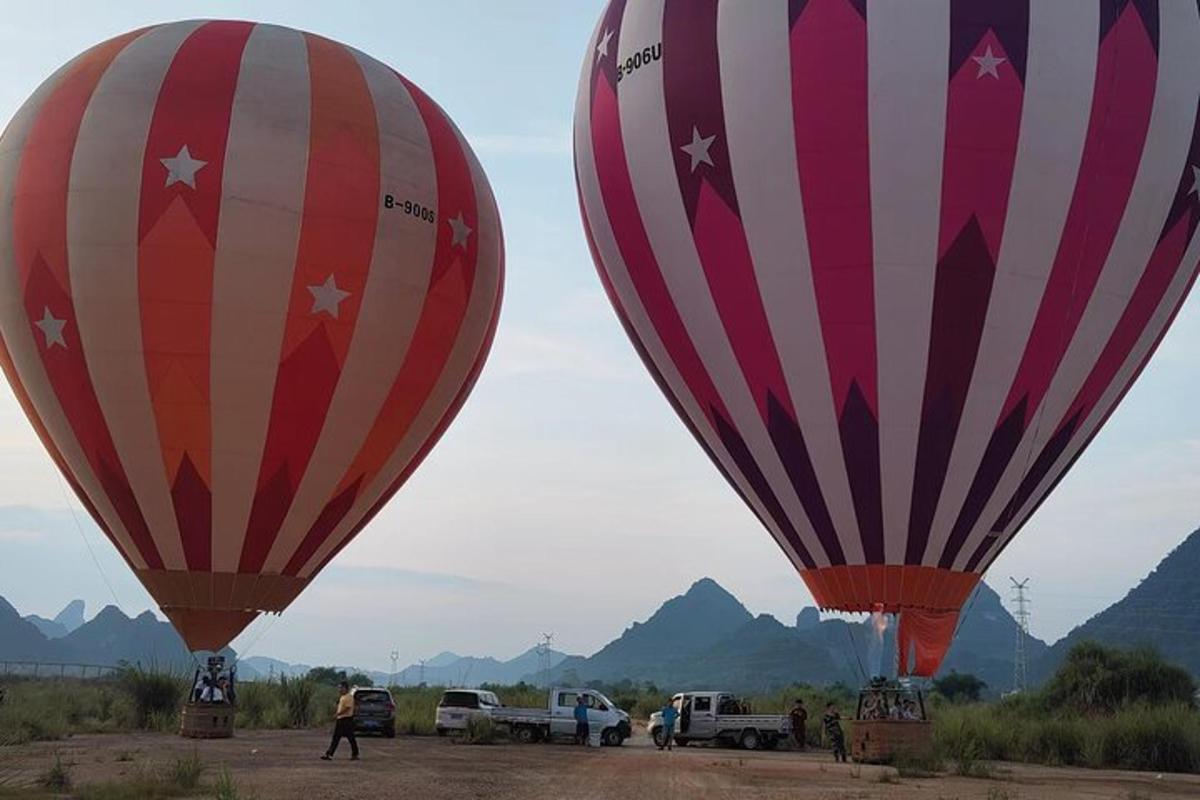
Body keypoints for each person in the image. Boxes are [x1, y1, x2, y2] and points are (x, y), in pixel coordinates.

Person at [322, 681, 359, 761]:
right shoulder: (343, 697)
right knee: (337, 737)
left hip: (346, 720)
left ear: (346, 688)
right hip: (341, 719)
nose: (339, 689)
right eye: (339, 688)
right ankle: (329, 754)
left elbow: (347, 708)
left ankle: (355, 754)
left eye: (341, 688)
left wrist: (338, 714)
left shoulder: (349, 697)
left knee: (350, 738)